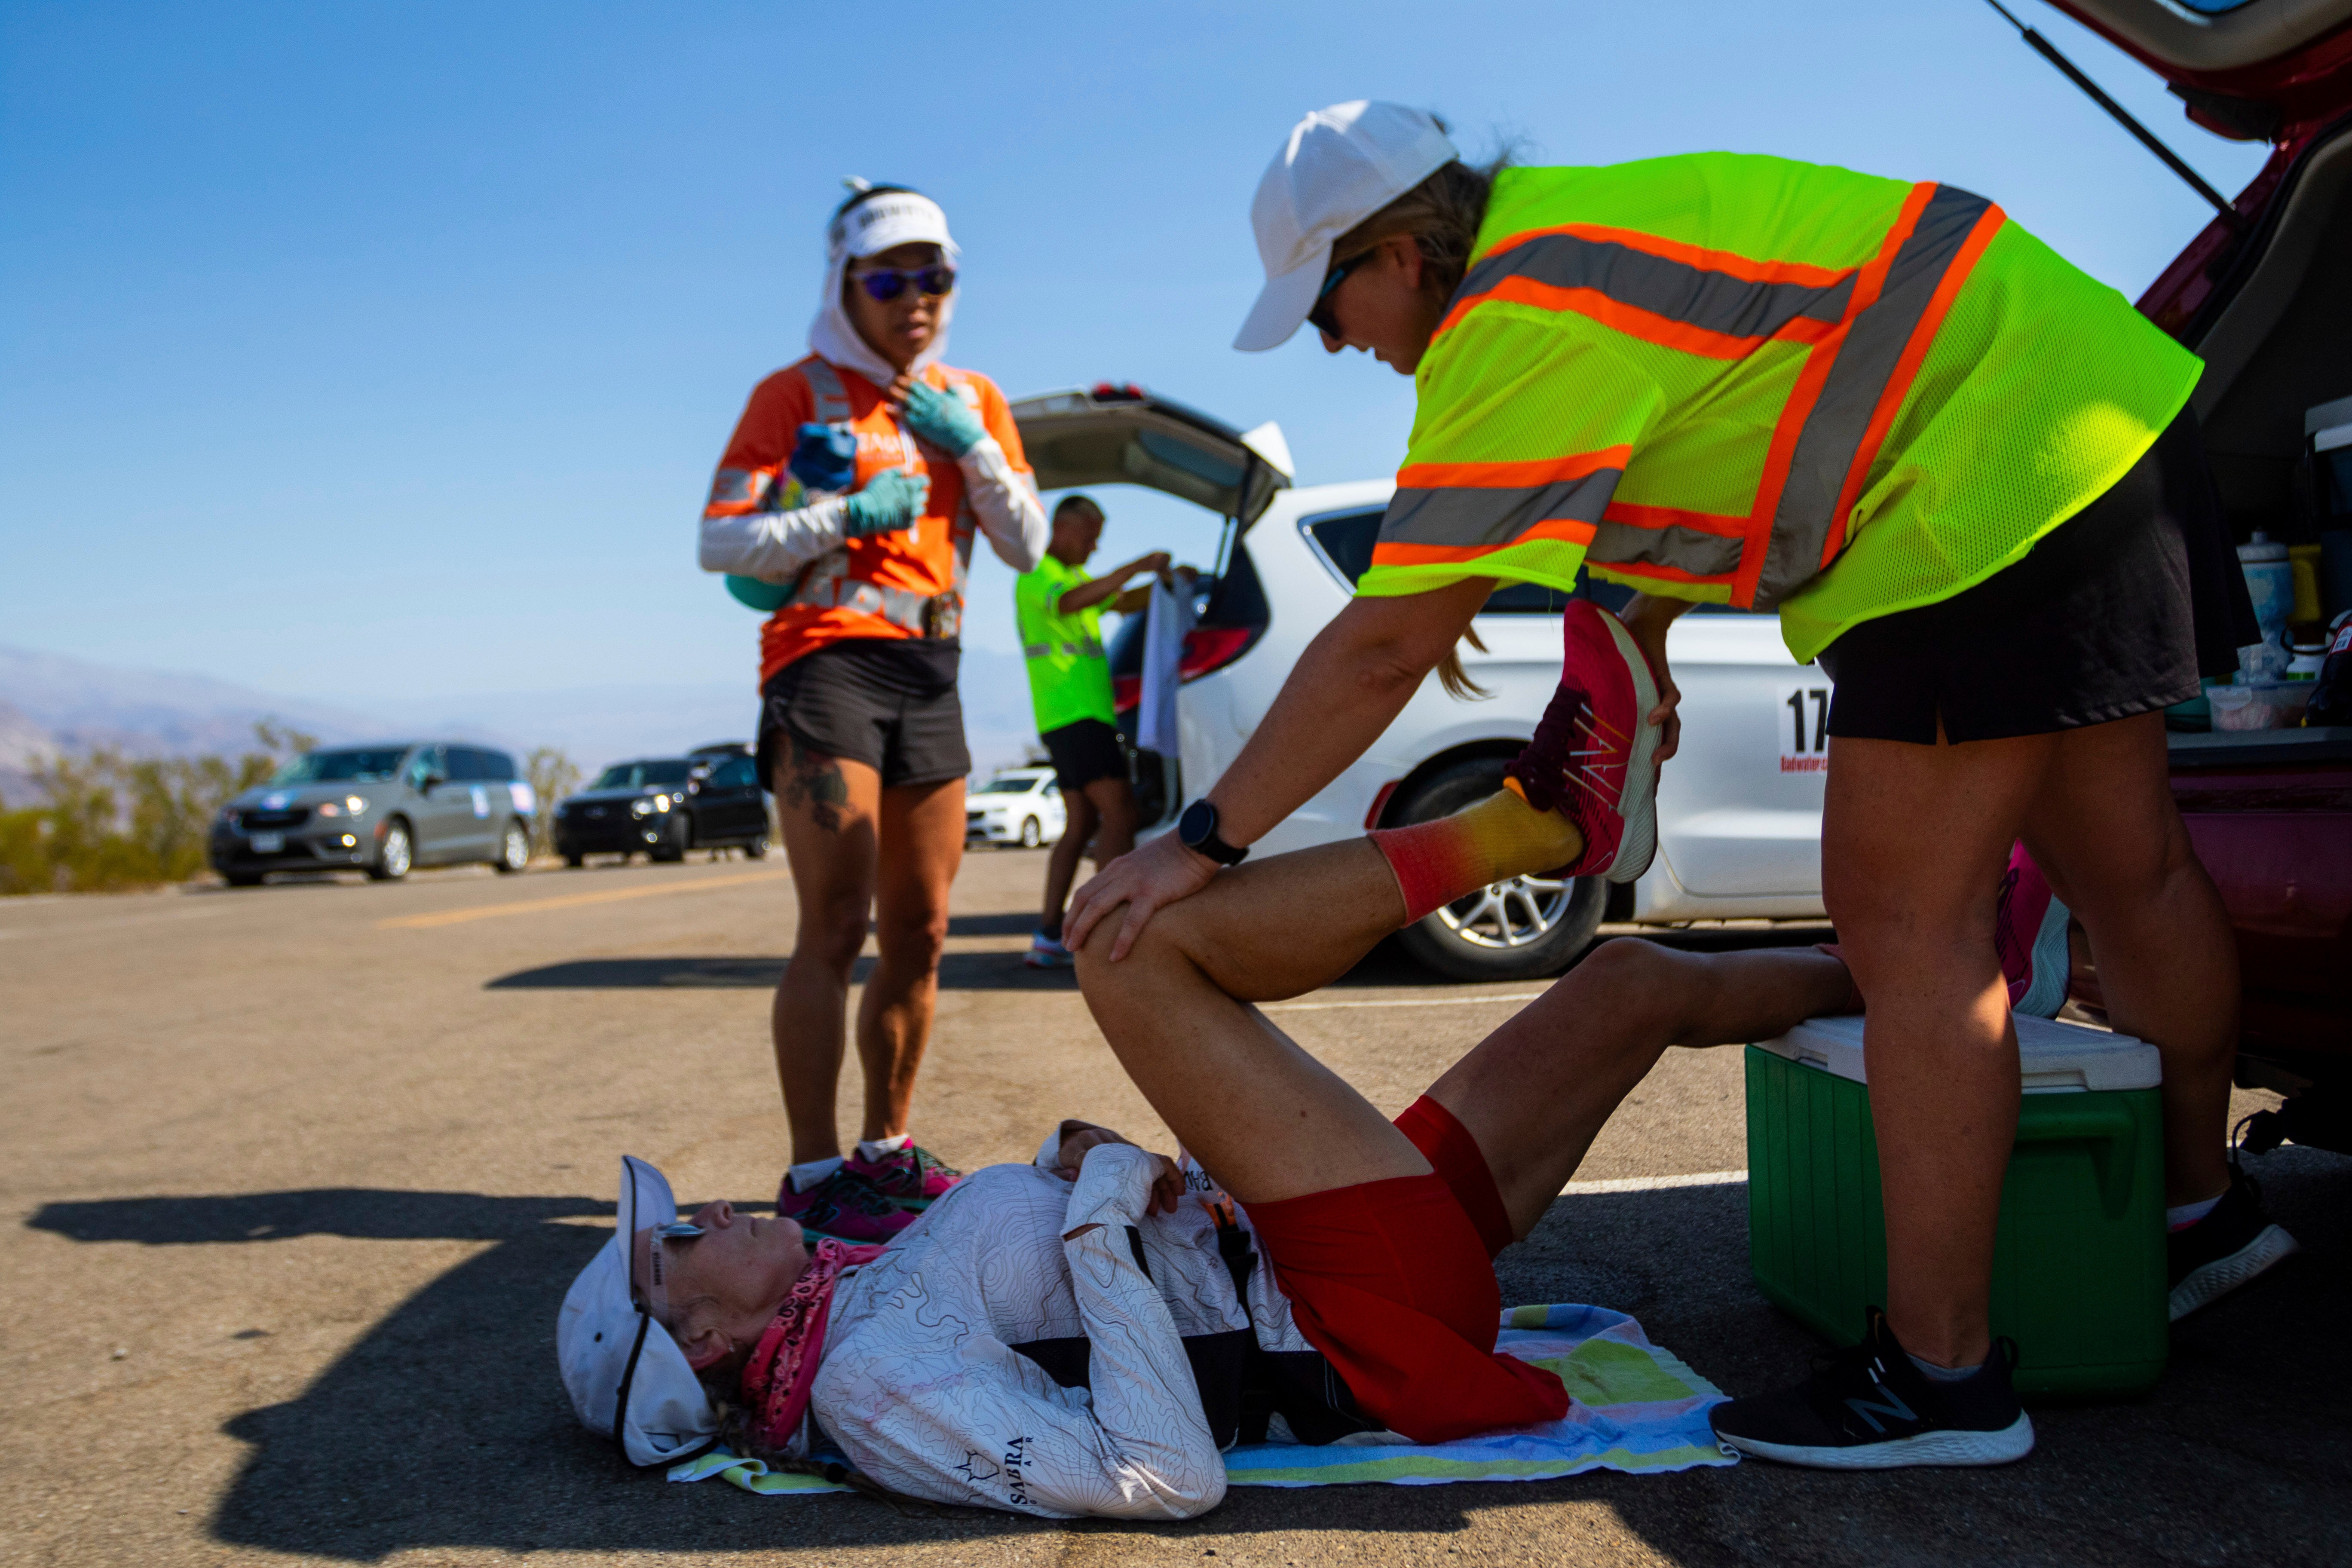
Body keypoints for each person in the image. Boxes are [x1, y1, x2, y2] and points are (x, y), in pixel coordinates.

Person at [1067, 101, 2286, 1468]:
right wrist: (1629, 635)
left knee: (1909, 933)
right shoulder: (1586, 230)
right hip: (2101, 398)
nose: (1337, 339)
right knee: (2137, 870)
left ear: (1402, 252)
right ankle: (2202, 1206)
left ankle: (1944, 1380)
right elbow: (1720, 410)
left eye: (1326, 305)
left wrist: (1201, 837)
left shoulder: (1510, 325)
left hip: (1968, 494)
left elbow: (1387, 642)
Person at [558, 796, 1866, 1516]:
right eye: (681, 1245)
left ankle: (1932, 970)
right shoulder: (866, 1398)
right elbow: (1160, 1474)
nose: (711, 1212)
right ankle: (1524, 826)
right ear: (712, 1348)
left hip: (1310, 1248)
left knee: (1627, 981)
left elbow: (1035, 1295)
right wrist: (1101, 1205)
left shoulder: (851, 1294)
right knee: (1129, 944)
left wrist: (1071, 1163)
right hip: (1351, 1311)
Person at [698, 181, 1048, 1242]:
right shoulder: (791, 394)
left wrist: (971, 450)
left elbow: (1028, 543)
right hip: (824, 657)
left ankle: (884, 1153)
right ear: (844, 284)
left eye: (932, 275)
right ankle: (812, 1175)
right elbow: (718, 542)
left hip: (930, 667)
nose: (914, 298)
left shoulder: (973, 398)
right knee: (836, 920)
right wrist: (840, 512)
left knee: (922, 930)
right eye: (888, 278)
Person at [1015, 493, 1191, 968]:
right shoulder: (1039, 574)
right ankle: (1101, 926)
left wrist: (1170, 585)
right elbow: (1075, 602)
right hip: (1075, 716)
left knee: (1082, 824)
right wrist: (1136, 564)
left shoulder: (1074, 577)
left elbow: (1116, 602)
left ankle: (1049, 934)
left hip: (1076, 718)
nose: (1094, 548)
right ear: (1065, 529)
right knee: (1120, 812)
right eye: (1091, 537)